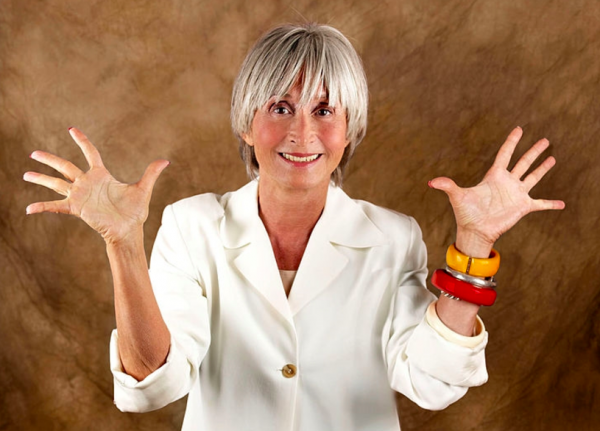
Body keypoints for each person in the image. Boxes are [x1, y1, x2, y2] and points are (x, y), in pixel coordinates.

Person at [24, 23, 565, 431]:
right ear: (246, 122)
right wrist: (123, 244)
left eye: (325, 110)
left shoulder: (394, 238)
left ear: (350, 129)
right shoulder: (191, 226)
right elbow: (152, 383)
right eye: (281, 107)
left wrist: (475, 244)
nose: (302, 134)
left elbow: (431, 380)